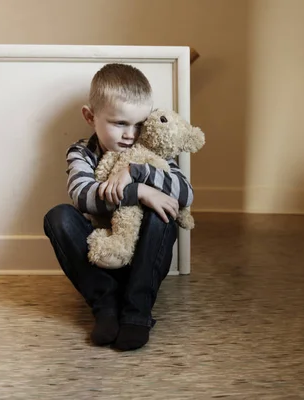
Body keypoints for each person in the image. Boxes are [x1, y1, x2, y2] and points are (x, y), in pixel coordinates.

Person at [43, 63, 194, 351]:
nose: (131, 134)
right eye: (120, 123)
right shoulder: (82, 152)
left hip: (143, 260)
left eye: (139, 124)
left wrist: (138, 173)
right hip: (101, 257)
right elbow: (83, 195)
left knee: (162, 214)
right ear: (90, 117)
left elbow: (185, 195)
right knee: (57, 217)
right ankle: (106, 306)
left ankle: (137, 311)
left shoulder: (152, 152)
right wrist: (140, 192)